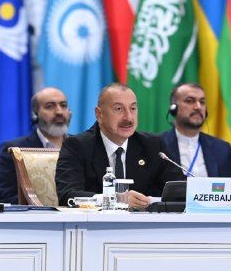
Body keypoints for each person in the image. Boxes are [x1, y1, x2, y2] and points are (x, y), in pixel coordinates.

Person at [55, 83, 184, 209]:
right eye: (118, 109)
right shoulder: (77, 146)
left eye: (133, 109)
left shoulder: (153, 146)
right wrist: (115, 199)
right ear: (99, 114)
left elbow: (181, 190)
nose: (128, 118)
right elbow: (68, 196)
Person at [0, 87, 72, 204]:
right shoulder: (14, 150)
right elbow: (6, 197)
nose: (59, 112)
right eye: (50, 106)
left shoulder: (81, 146)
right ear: (35, 114)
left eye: (63, 105)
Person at [160, 83, 231, 177]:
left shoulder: (222, 148)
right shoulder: (158, 146)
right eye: (190, 101)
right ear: (174, 109)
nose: (198, 107)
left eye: (202, 102)